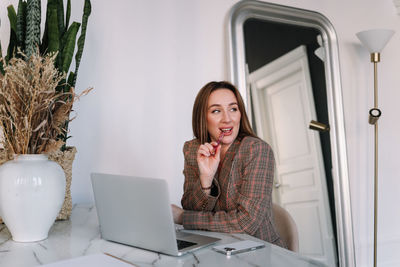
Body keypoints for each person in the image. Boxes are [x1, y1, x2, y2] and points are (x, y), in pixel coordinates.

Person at [171, 81, 286, 248]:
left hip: (260, 250)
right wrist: (206, 179)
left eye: (233, 108)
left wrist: (183, 218)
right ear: (203, 117)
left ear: (241, 113)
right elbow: (190, 205)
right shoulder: (193, 149)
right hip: (213, 247)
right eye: (216, 111)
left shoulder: (257, 150)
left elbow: (245, 224)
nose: (227, 119)